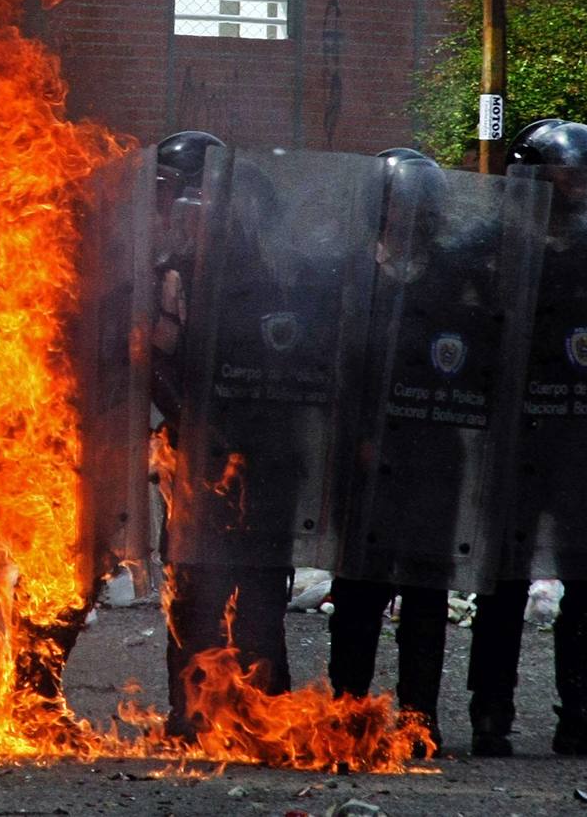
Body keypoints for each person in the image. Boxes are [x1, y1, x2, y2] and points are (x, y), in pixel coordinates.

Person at [467, 119, 587, 757]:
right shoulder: (489, 244)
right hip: (516, 435)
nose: (580, 186)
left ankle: (582, 715)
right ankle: (490, 714)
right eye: (568, 173)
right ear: (532, 178)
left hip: (582, 433)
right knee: (505, 577)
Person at [327, 149, 497, 756]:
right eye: (398, 201)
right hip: (366, 455)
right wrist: (358, 437)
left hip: (435, 451)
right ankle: (349, 717)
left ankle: (419, 721)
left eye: (419, 202)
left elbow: (479, 358)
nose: (409, 212)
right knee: (358, 591)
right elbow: (338, 364)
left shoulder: (455, 273)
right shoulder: (352, 270)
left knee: (426, 592)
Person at [151, 133, 295, 742]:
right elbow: (154, 362)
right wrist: (187, 420)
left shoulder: (272, 277)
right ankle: (195, 717)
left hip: (263, 453)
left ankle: (262, 717)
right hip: (195, 458)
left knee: (258, 594)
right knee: (194, 593)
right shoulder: (169, 279)